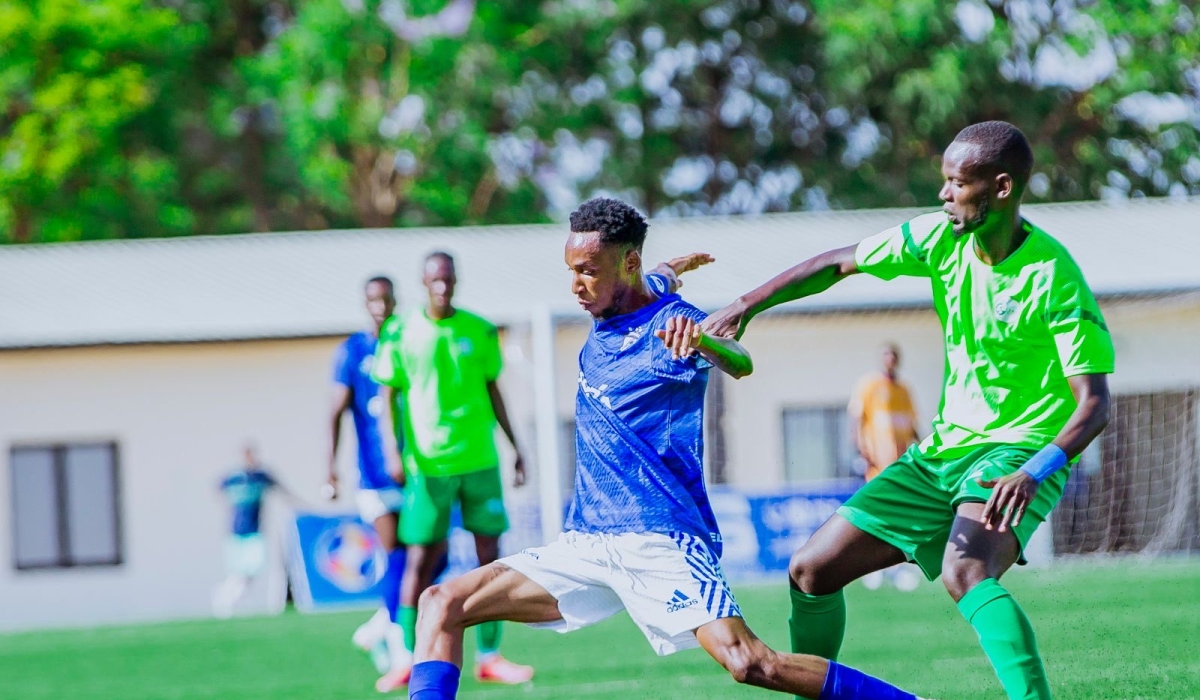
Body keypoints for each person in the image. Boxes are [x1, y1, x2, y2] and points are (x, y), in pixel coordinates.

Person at [403, 198, 931, 700]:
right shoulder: (622, 294)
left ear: (626, 264)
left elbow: (741, 362)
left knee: (750, 663)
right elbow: (655, 279)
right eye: (571, 270)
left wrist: (704, 341)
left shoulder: (673, 327)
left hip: (660, 537)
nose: (576, 285)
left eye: (587, 271)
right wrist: (670, 268)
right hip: (586, 542)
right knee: (440, 602)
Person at [703, 121, 1114, 700]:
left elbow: (1094, 405)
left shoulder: (1053, 277)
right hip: (940, 453)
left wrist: (1035, 470)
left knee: (965, 572)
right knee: (811, 569)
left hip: (1017, 453)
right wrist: (746, 305)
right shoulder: (940, 238)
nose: (944, 194)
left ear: (1000, 188)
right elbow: (838, 263)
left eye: (957, 183)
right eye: (944, 180)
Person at [371, 252, 531, 690]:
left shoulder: (479, 329)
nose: (442, 287)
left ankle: (490, 656)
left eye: (448, 280)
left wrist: (516, 448)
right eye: (435, 280)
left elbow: (493, 390)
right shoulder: (400, 331)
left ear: (456, 281)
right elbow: (387, 396)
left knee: (490, 559)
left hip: (480, 460)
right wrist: (392, 451)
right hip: (429, 465)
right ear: (423, 283)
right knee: (419, 561)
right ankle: (409, 656)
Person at [327, 276, 407, 672]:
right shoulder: (353, 351)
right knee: (398, 557)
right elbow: (335, 412)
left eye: (385, 299)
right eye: (373, 300)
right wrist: (329, 470)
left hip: (417, 473)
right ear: (365, 303)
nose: (380, 307)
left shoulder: (407, 342)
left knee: (429, 558)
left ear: (394, 301)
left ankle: (376, 629)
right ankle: (400, 652)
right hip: (375, 477)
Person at [848, 343, 922, 592]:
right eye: (886, 355)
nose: (890, 360)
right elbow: (857, 419)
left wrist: (922, 450)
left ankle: (897, 568)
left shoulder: (904, 390)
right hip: (877, 465)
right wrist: (861, 451)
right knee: (876, 515)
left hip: (900, 465)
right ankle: (873, 568)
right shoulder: (869, 385)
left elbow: (911, 424)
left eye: (894, 356)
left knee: (901, 516)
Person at [212, 444, 281, 619]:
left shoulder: (261, 477)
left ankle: (231, 598)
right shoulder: (233, 478)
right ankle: (226, 599)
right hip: (236, 532)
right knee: (238, 571)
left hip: (255, 531)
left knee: (253, 569)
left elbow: (281, 489)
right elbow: (218, 490)